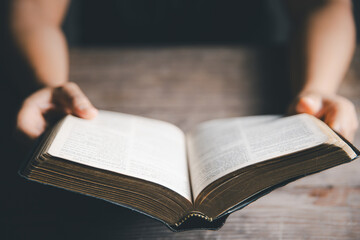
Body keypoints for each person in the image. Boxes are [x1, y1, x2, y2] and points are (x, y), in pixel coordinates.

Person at [11, 0, 358, 141]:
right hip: (113, 51)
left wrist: (318, 87)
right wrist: (51, 83)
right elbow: (35, 10)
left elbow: (323, 4)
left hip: (246, 48)